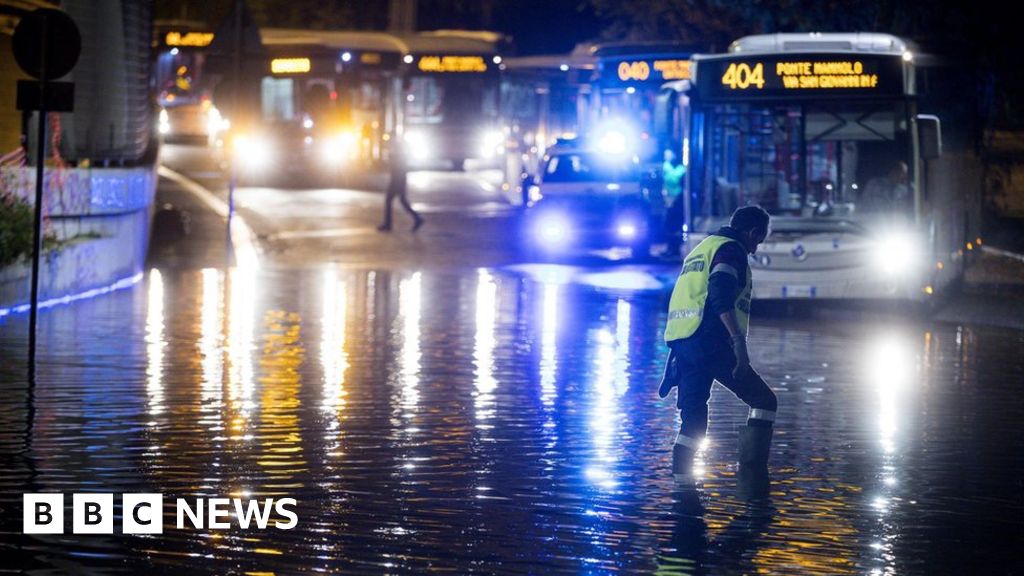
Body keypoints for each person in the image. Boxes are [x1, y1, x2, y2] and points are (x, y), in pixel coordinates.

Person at [658, 205, 777, 499]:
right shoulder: (731, 250)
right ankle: (753, 482)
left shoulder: (703, 248)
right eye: (758, 241)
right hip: (710, 341)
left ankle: (683, 497)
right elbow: (720, 297)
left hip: (683, 344)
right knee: (764, 401)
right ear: (751, 233)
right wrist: (739, 344)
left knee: (693, 422)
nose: (755, 248)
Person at [378, 138, 423, 232]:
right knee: (402, 200)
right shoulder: (400, 150)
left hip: (397, 178)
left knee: (390, 200)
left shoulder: (398, 151)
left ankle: (388, 224)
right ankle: (417, 218)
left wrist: (390, 157)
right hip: (399, 178)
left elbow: (395, 164)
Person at [661, 148, 687, 257]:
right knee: (670, 227)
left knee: (674, 226)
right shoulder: (669, 168)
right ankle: (671, 248)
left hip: (677, 201)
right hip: (670, 202)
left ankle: (674, 249)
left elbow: (673, 179)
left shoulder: (673, 168)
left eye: (668, 154)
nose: (666, 157)